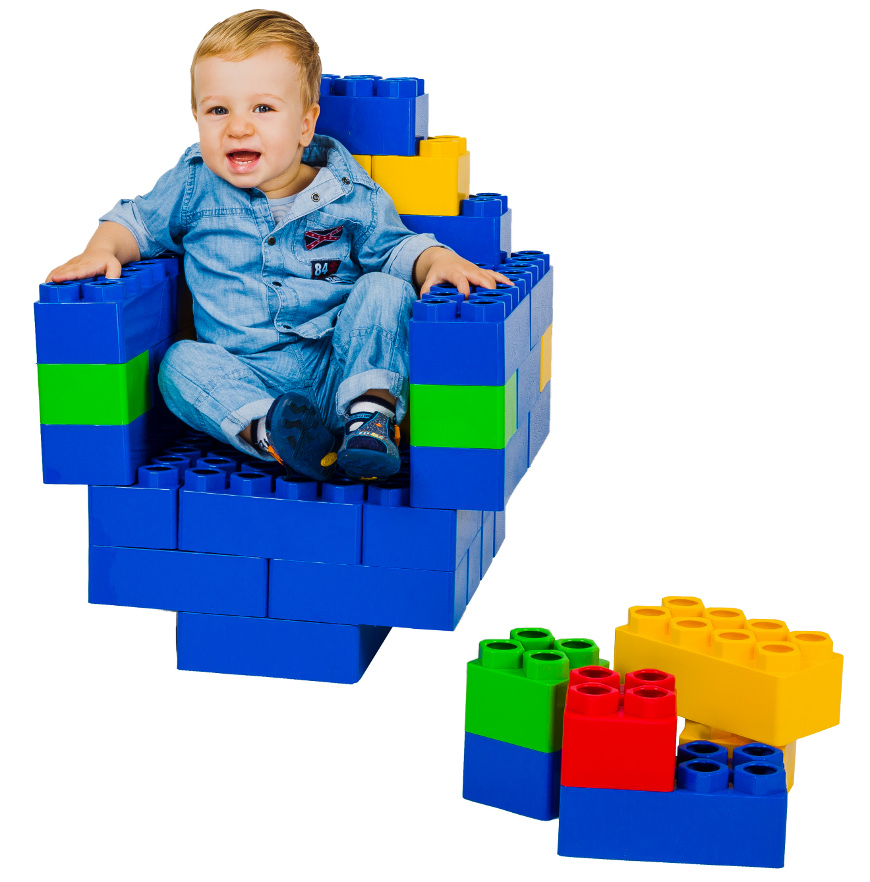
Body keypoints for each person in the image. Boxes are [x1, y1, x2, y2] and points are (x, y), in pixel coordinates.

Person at [45, 9, 510, 479]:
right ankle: (273, 434)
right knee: (179, 364)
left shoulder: (348, 191)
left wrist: (437, 259)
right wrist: (103, 249)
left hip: (338, 368)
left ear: (306, 125)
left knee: (385, 290)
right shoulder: (193, 186)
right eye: (218, 110)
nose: (238, 127)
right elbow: (134, 222)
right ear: (197, 117)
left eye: (262, 109)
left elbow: (393, 249)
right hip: (246, 377)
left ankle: (370, 421)